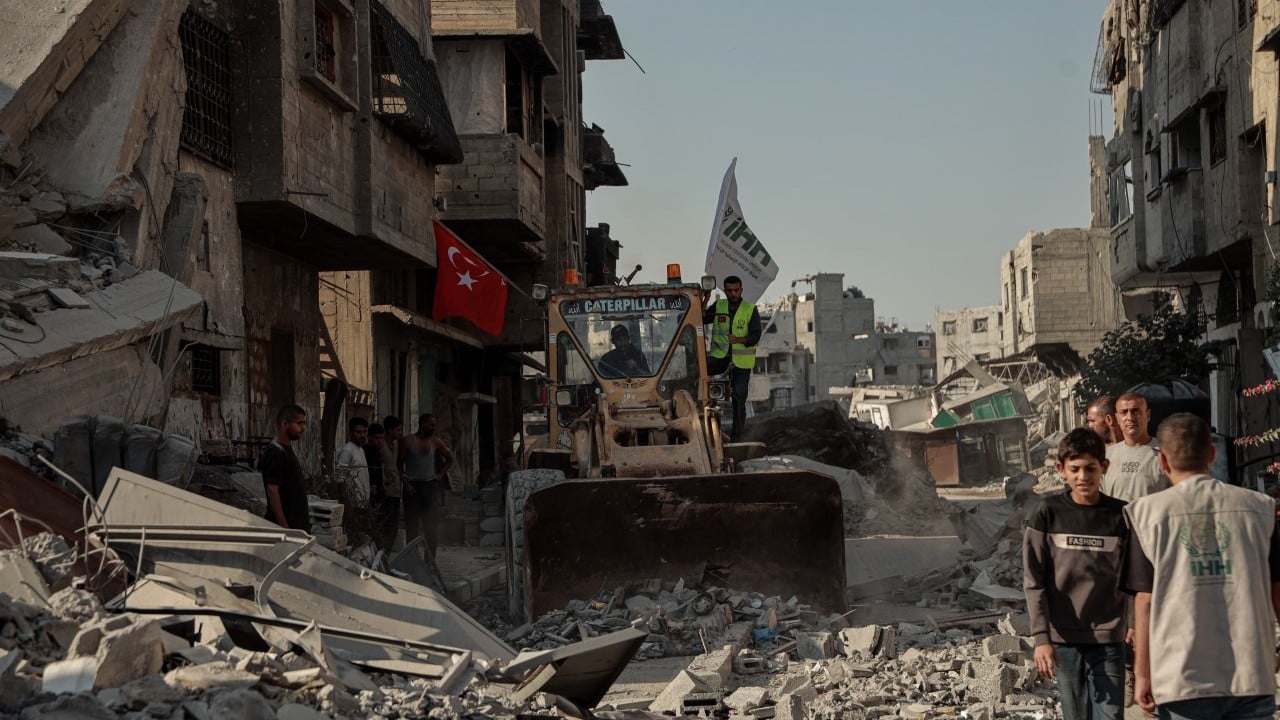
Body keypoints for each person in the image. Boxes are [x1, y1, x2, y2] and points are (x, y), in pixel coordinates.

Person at [1125, 413, 1280, 719]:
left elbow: (1144, 600)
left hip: (1181, 677)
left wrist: (1143, 673)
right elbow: (1277, 587)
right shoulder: (1259, 508)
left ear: (1163, 462)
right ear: (1212, 455)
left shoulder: (1146, 515)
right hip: (1251, 673)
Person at [1024, 428, 1128, 720]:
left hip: (1108, 640)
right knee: (1076, 716)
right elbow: (1034, 581)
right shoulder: (1048, 513)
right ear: (1061, 470)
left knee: (1109, 716)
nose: (1083, 476)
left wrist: (1131, 624)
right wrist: (1041, 637)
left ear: (1103, 467)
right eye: (1075, 469)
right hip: (1063, 641)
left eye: (1091, 468)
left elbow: (1133, 578)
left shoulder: (1120, 516)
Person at [702, 275, 761, 442]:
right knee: (697, 372)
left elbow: (755, 336)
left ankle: (737, 439)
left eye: (736, 290)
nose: (733, 293)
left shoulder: (750, 309)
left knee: (739, 397)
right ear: (725, 290)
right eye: (729, 290)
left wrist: (739, 340)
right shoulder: (719, 305)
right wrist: (705, 297)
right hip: (719, 357)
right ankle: (703, 428)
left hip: (741, 363)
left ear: (741, 290)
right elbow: (701, 317)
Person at [399, 413, 454, 561]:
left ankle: (429, 562)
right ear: (422, 424)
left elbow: (450, 458)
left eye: (434, 425)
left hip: (429, 488)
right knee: (412, 528)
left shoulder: (436, 442)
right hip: (412, 489)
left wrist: (440, 475)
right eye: (431, 424)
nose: (433, 427)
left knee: (430, 528)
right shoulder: (408, 442)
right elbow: (398, 467)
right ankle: (412, 561)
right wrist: (406, 484)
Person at [1101, 392, 1168, 504]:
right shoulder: (1106, 456)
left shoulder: (1166, 453)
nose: (1130, 418)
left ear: (1148, 415)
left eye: (1136, 411)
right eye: (1124, 412)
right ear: (1117, 418)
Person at [259, 404, 311, 531]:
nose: (303, 428)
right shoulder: (275, 452)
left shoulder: (285, 449)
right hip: (286, 528)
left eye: (304, 423)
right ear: (285, 424)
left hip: (296, 526)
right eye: (299, 423)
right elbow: (272, 490)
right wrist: (285, 528)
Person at [375, 416, 404, 552]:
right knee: (384, 527)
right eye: (398, 430)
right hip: (386, 494)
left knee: (393, 528)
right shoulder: (381, 446)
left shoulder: (394, 446)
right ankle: (382, 555)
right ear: (389, 430)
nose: (400, 433)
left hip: (395, 493)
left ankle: (386, 556)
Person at [335, 417, 370, 511]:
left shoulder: (361, 450)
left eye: (365, 431)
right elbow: (340, 478)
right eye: (358, 432)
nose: (362, 435)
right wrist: (346, 504)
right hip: (353, 503)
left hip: (363, 502)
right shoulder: (348, 450)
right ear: (351, 433)